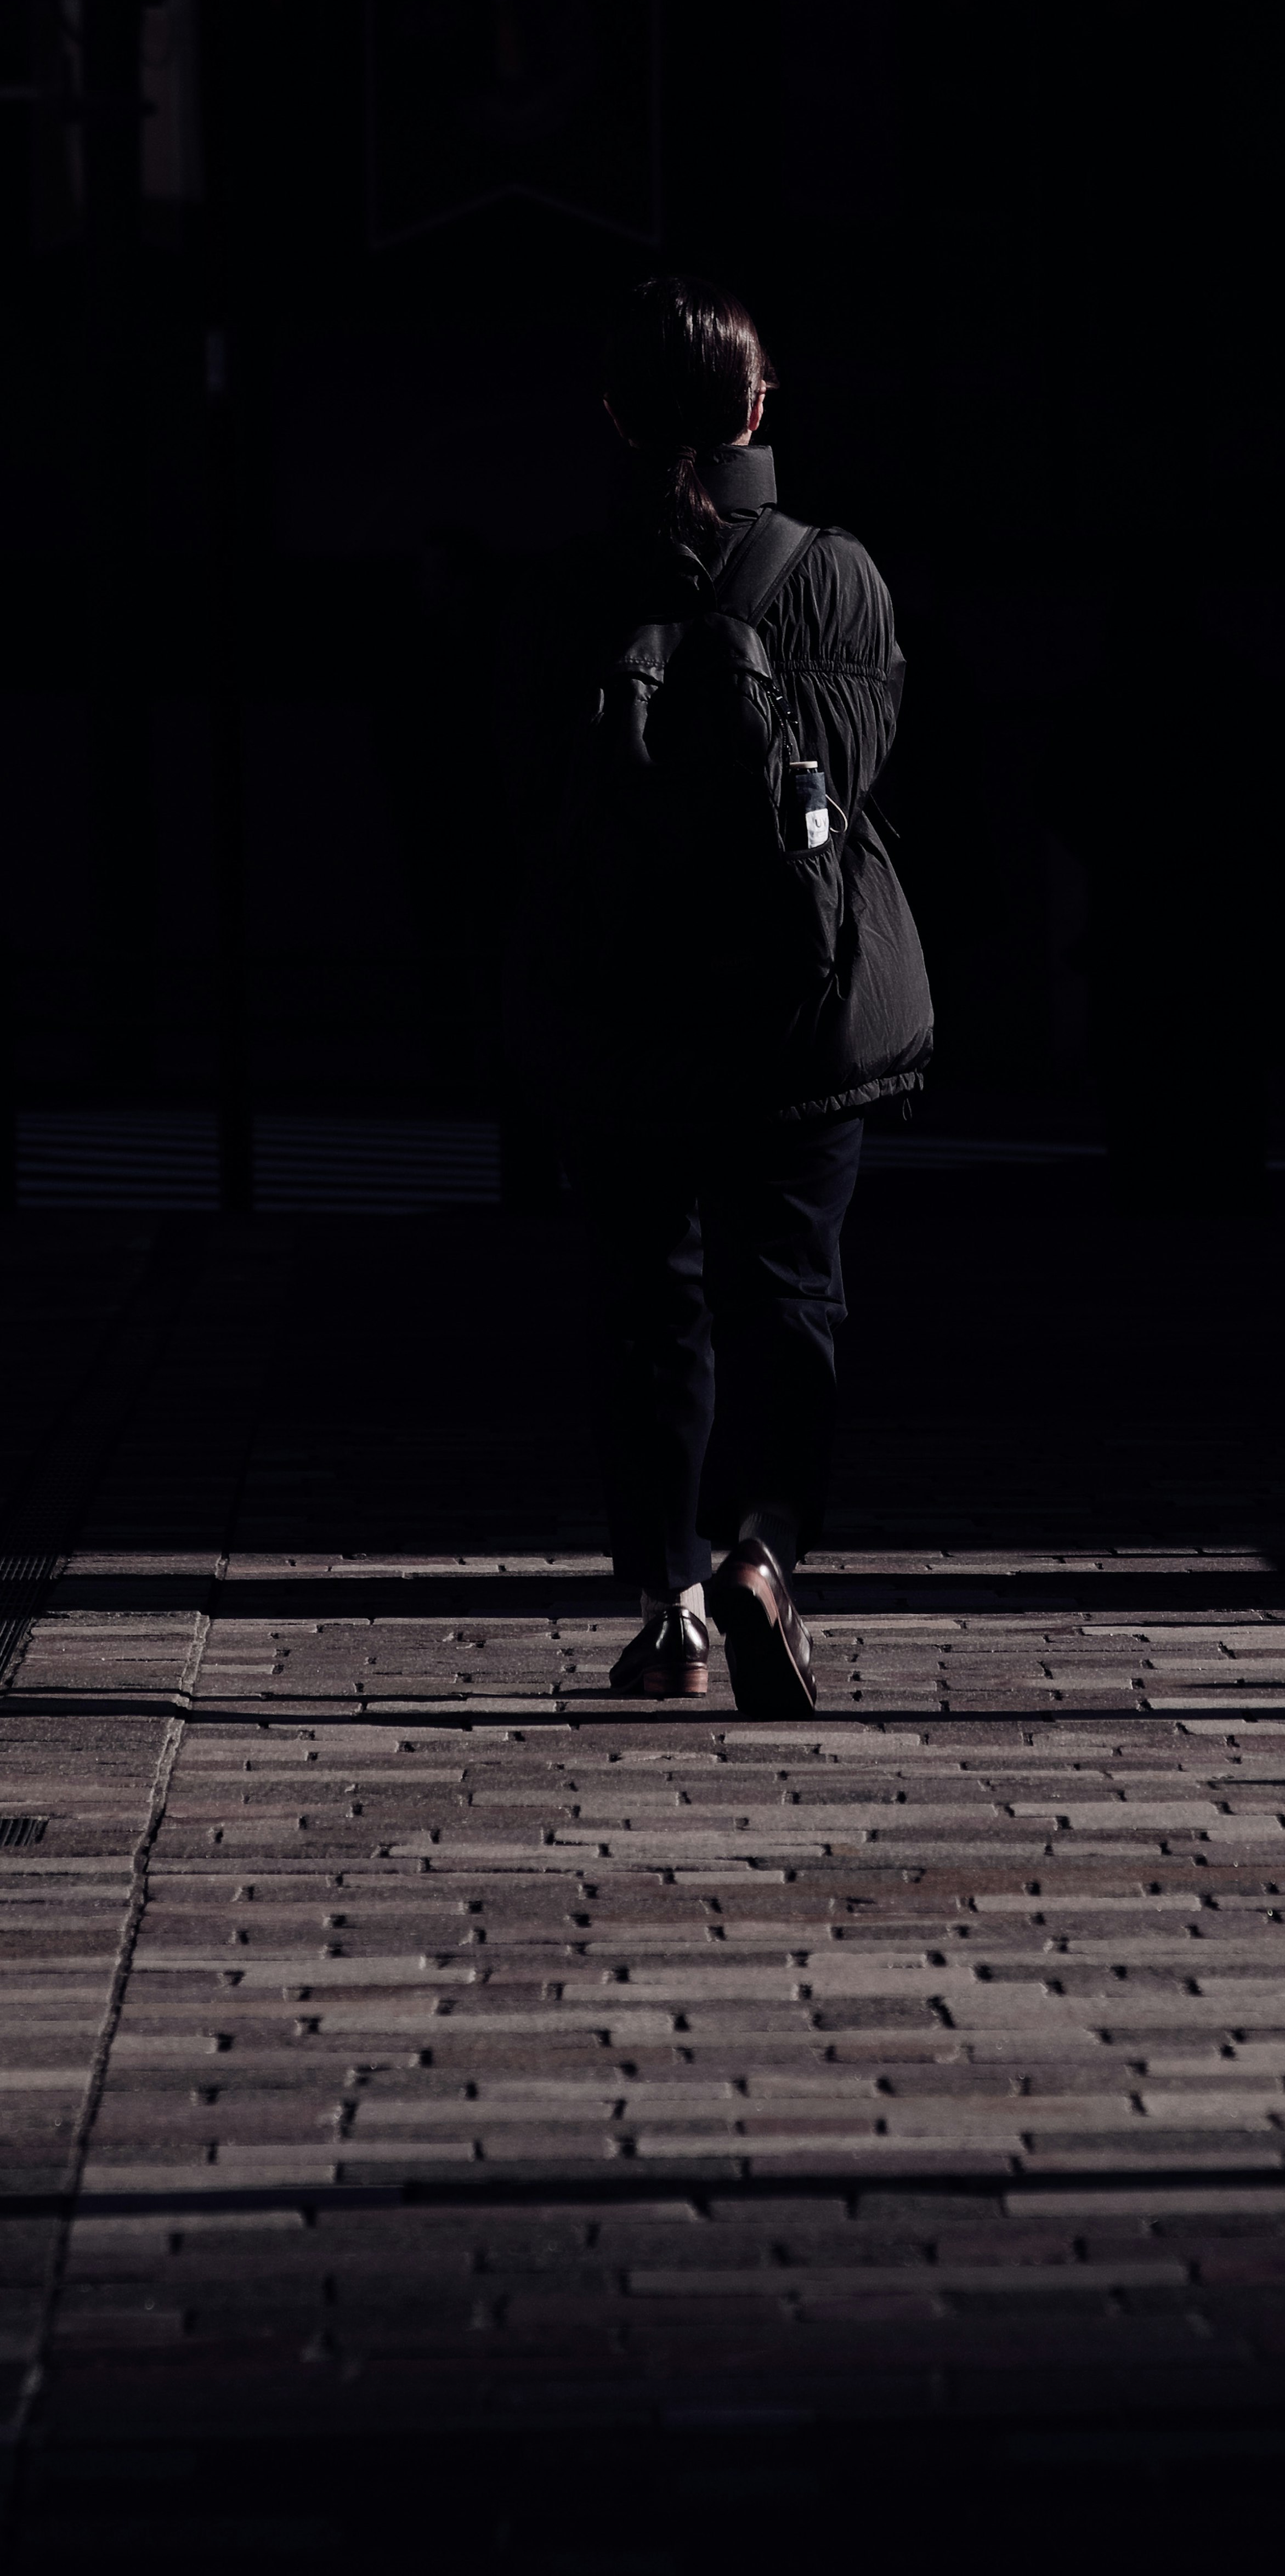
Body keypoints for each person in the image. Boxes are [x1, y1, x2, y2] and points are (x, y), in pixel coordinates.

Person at [531, 279, 932, 1713]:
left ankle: (671, 1610)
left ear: (616, 418)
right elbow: (854, 769)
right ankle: (769, 1548)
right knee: (792, 1293)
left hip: (629, 1015)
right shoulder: (834, 576)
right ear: (760, 411)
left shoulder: (577, 586)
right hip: (801, 1016)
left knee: (649, 1305)